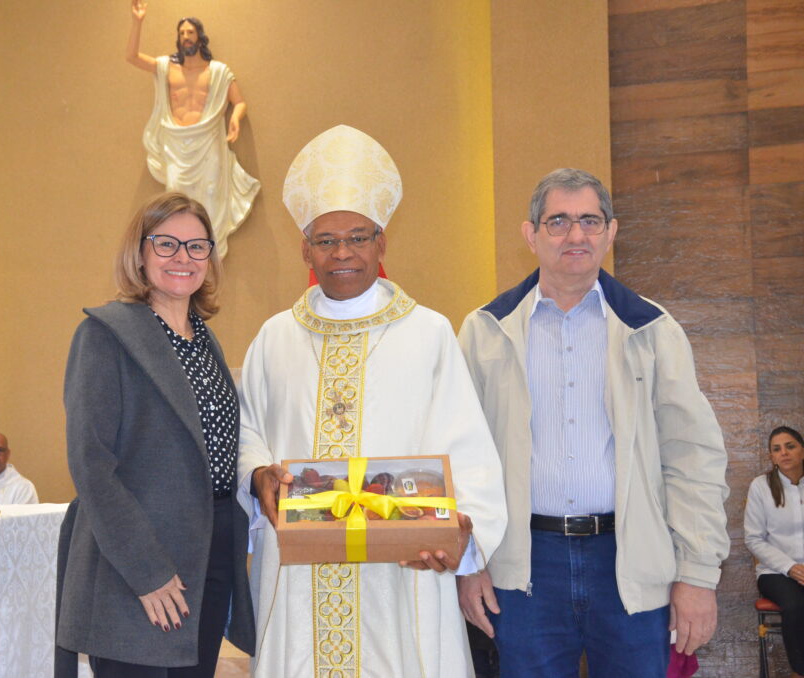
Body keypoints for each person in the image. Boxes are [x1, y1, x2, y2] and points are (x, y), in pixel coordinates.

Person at [237, 125, 507, 678]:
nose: (342, 254)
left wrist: (461, 532)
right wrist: (258, 476)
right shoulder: (273, 338)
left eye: (358, 238)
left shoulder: (429, 334)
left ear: (382, 243)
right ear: (304, 247)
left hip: (403, 571)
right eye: (325, 240)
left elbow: (468, 447)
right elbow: (247, 433)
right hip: (299, 578)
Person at [457, 168, 730, 678]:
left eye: (589, 220)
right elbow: (459, 459)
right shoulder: (484, 332)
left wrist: (697, 573)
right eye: (558, 221)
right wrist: (469, 563)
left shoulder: (652, 330)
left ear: (611, 232)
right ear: (530, 234)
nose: (575, 235)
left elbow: (693, 458)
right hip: (524, 568)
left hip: (628, 561)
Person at [56, 192, 254, 678]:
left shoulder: (204, 341)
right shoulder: (106, 334)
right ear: (140, 254)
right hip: (140, 563)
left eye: (197, 246)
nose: (183, 258)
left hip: (209, 555)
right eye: (166, 245)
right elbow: (92, 466)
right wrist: (147, 571)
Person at [126, 0, 260, 259]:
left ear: (200, 36)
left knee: (211, 197)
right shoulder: (167, 68)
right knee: (175, 200)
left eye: (190, 32)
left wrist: (236, 119)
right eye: (182, 33)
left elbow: (239, 101)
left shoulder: (218, 72)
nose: (186, 37)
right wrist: (137, 21)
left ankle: (207, 258)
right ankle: (179, 254)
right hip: (177, 145)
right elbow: (131, 57)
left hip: (208, 142)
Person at [745, 426, 804, 678]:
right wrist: (790, 567)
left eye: (790, 446)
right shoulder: (761, 487)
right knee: (795, 605)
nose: (784, 453)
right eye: (777, 449)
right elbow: (754, 539)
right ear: (771, 456)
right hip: (775, 572)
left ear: (802, 450)